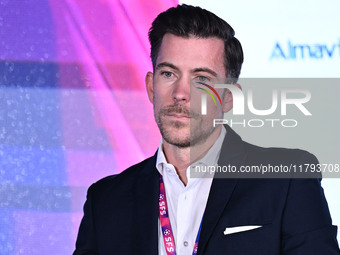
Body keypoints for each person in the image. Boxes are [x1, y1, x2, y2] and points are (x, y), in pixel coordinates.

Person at [73, 4, 340, 255]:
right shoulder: (106, 201)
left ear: (227, 98)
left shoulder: (287, 180)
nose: (180, 93)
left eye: (202, 79)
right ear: (152, 87)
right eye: (168, 73)